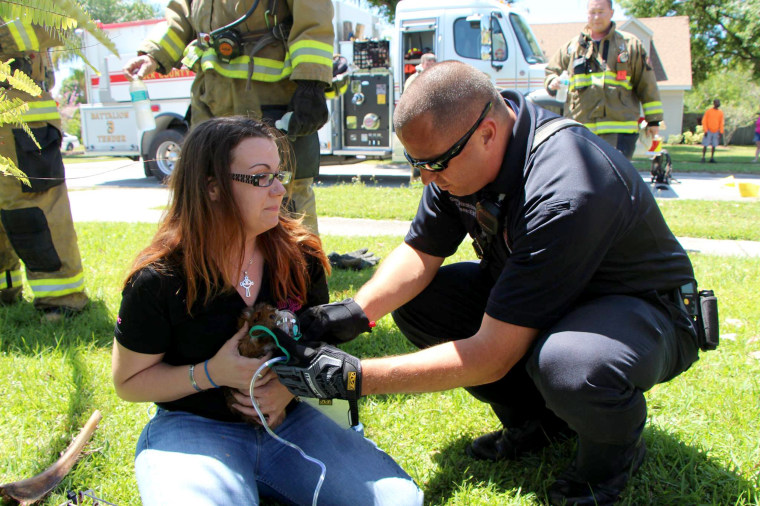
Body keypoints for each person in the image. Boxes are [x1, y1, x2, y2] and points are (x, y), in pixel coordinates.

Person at [272, 61, 705, 505]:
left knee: (571, 364)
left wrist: (354, 379)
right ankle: (537, 423)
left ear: (488, 133)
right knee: (423, 303)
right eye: (415, 163)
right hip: (556, 303)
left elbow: (492, 355)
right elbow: (421, 252)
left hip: (640, 312)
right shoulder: (457, 151)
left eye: (434, 164)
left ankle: (611, 461)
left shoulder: (565, 186)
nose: (425, 178)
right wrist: (354, 313)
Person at [110, 116, 422, 505]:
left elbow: (314, 347)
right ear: (212, 188)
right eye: (261, 178)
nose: (279, 189)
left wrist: (288, 392)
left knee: (398, 501)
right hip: (195, 425)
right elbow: (129, 382)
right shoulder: (159, 279)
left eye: (279, 173)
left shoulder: (300, 257)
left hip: (294, 419)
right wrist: (210, 373)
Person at [123, 0, 335, 233]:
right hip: (210, 101)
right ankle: (214, 266)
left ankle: (298, 268)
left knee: (282, 193)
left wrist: (311, 83)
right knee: (207, 189)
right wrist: (152, 55)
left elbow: (314, 17)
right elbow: (180, 16)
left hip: (270, 101)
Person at [0, 17, 89, 321]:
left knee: (33, 209)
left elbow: (61, 20)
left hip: (22, 118)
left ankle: (61, 300)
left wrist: (4, 39)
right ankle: (5, 289)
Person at [545, 0, 662, 160]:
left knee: (614, 180)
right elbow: (551, 71)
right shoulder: (572, 48)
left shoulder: (630, 46)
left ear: (612, 13)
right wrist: (553, 81)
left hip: (620, 133)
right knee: (581, 179)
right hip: (580, 130)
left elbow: (647, 85)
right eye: (592, 12)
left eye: (601, 12)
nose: (596, 17)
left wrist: (653, 121)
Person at [701, 99, 724, 163]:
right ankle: (703, 157)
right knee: (705, 144)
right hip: (708, 130)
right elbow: (704, 121)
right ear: (714, 103)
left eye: (719, 102)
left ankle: (712, 158)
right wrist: (705, 130)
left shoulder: (720, 112)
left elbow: (721, 122)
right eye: (717, 102)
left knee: (714, 145)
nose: (718, 103)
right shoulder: (709, 111)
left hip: (716, 131)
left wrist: (721, 131)